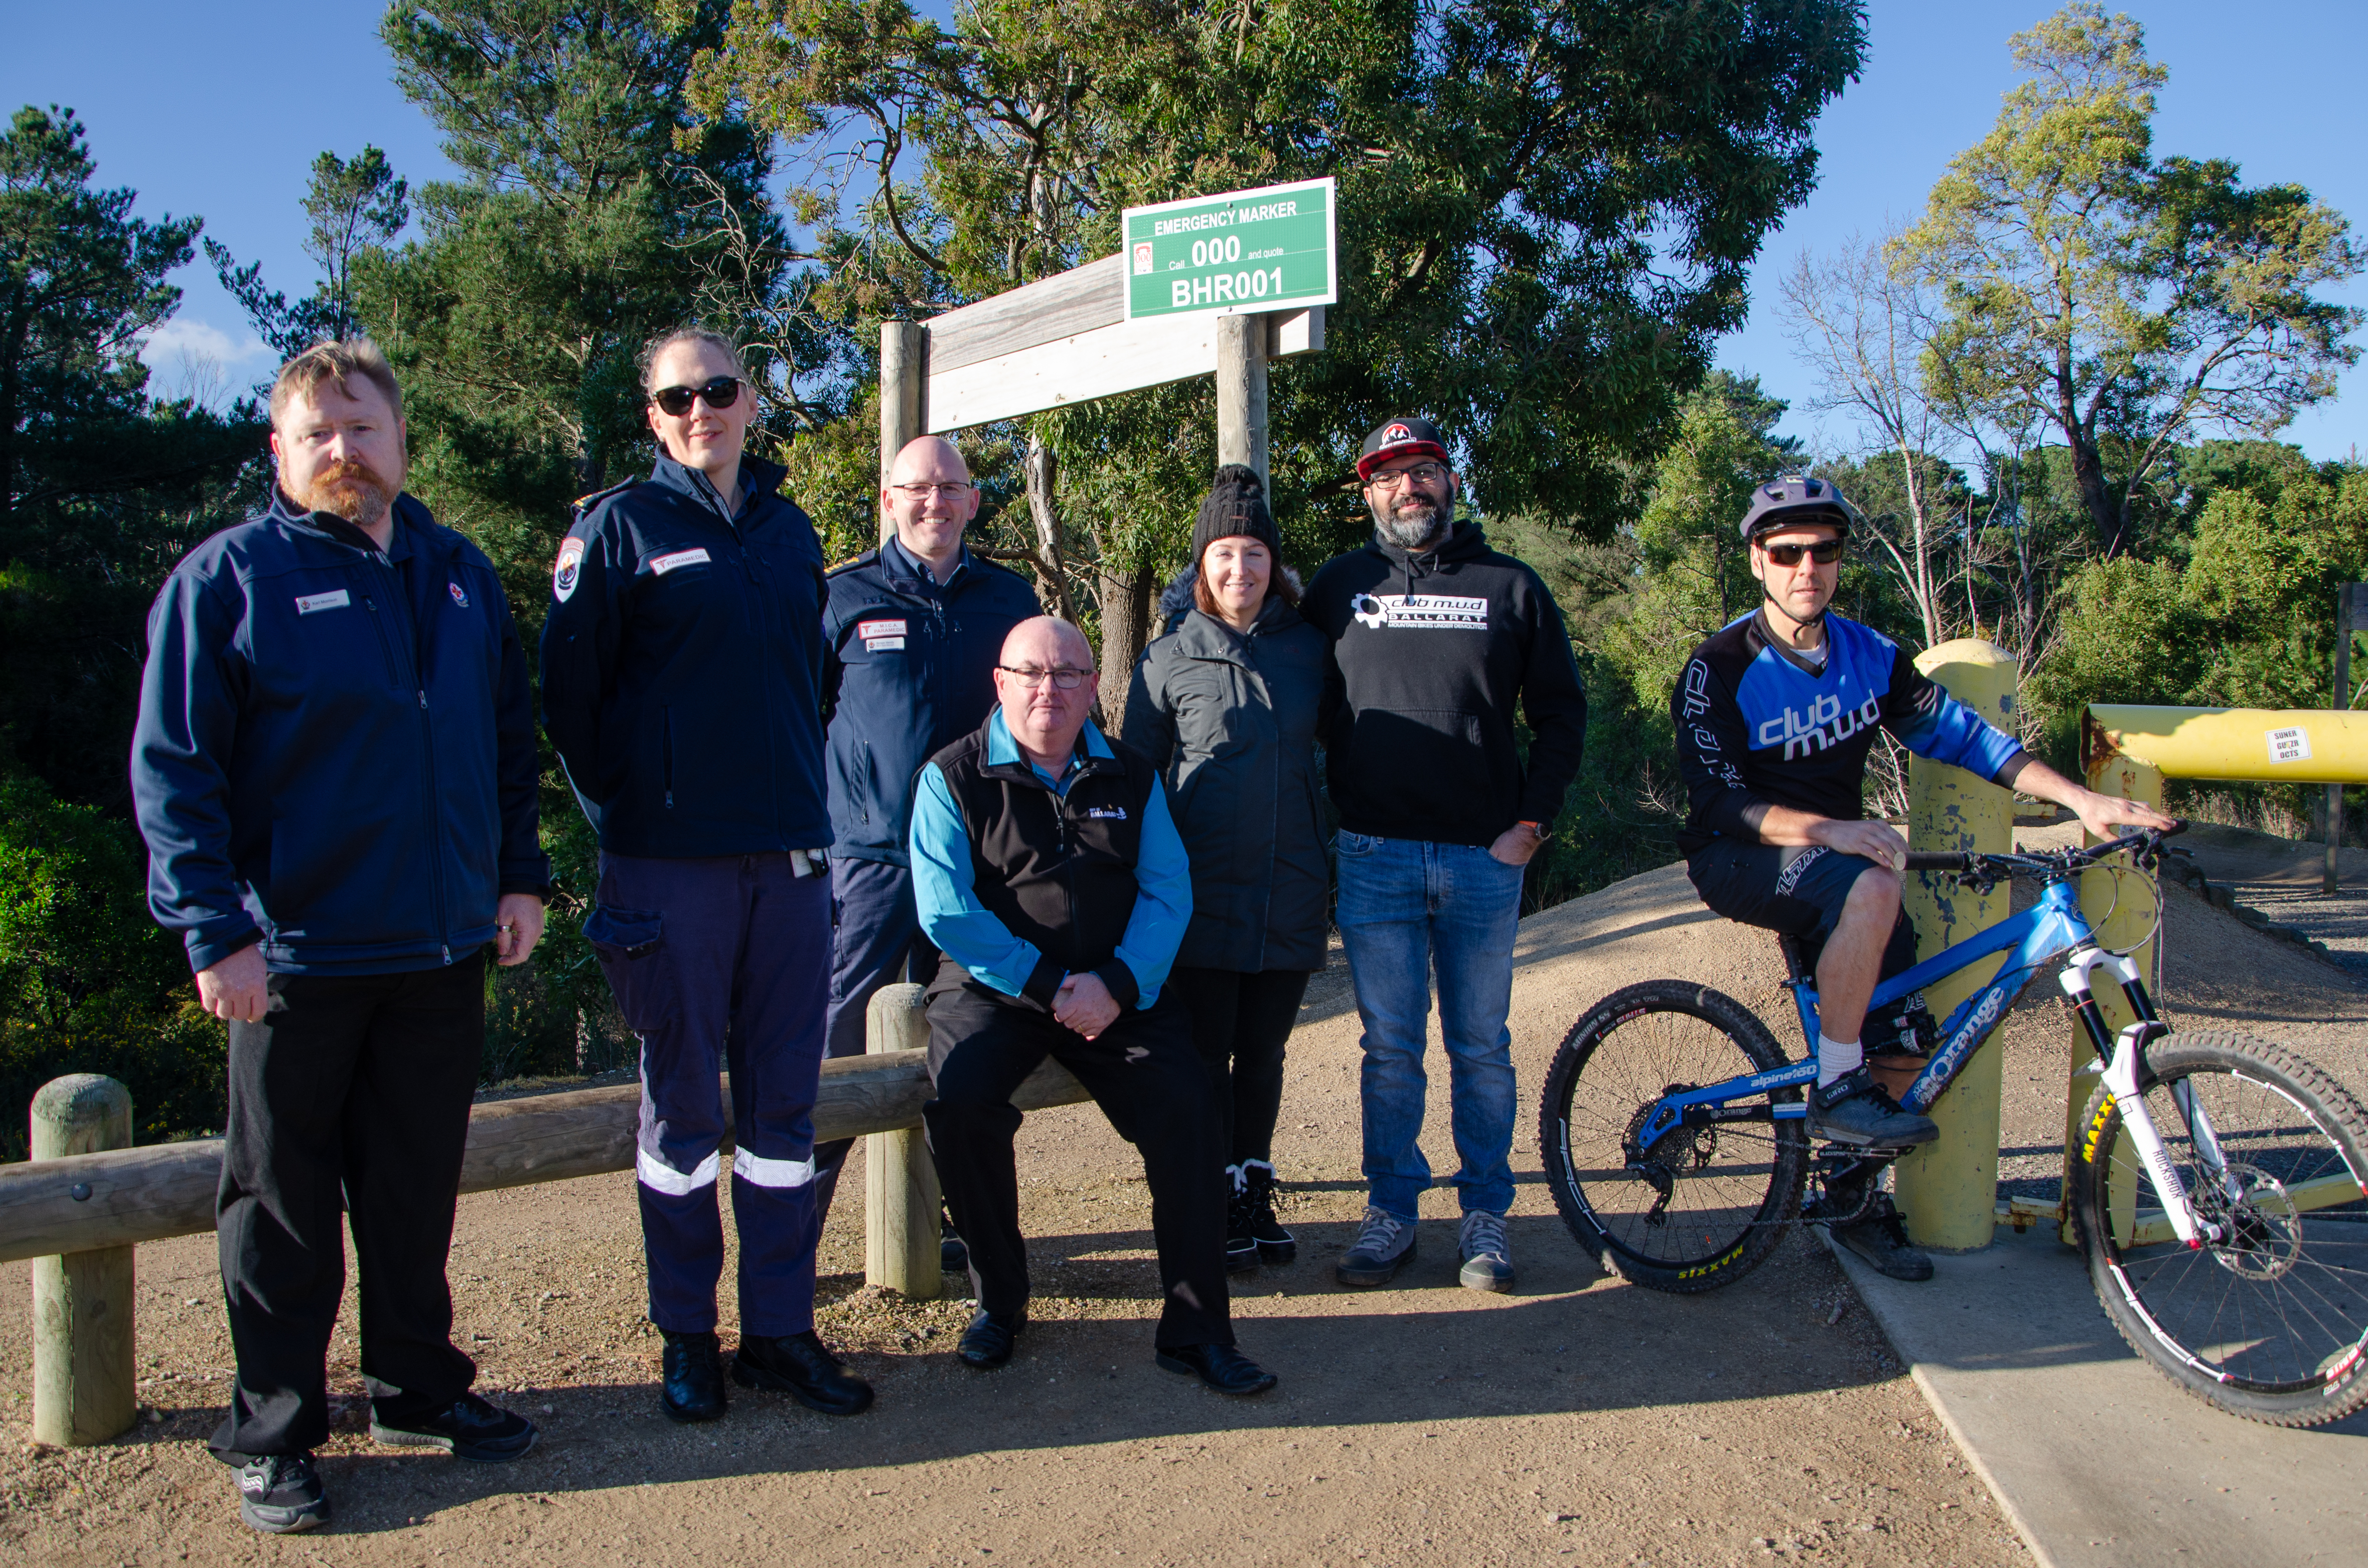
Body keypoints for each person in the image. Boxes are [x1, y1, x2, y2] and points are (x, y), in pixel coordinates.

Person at [131, 339, 550, 1535]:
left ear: (401, 440)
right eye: (315, 433)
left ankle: (418, 1391)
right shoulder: (228, 581)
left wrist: (516, 880)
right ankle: (273, 1431)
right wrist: (217, 931)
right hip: (293, 961)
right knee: (282, 1209)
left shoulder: (459, 574)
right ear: (278, 449)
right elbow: (175, 776)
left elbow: (503, 747)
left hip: (438, 950)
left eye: (361, 429)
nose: (341, 452)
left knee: (414, 1196)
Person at [1673, 474, 2176, 1281]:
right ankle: (1837, 1087)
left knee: (1905, 1045)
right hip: (1741, 855)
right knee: (1872, 883)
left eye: (1825, 550)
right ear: (1758, 561)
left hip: (1840, 861)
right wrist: (1833, 829)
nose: (1809, 567)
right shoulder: (1720, 666)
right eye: (1788, 551)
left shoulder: (1870, 655)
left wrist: (2083, 797)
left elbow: (1968, 737)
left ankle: (1854, 1203)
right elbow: (1721, 803)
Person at [541, 328, 871, 1426]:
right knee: (682, 1117)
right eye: (677, 396)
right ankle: (687, 1334)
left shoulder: (789, 531)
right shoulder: (616, 531)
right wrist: (640, 817)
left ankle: (778, 1330)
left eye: (719, 389)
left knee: (785, 1107)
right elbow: (571, 708)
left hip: (788, 865)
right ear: (652, 416)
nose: (701, 410)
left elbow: (812, 685)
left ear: (750, 399)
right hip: (665, 871)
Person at [911, 616, 1277, 1395]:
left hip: (1117, 988)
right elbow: (944, 909)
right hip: (997, 988)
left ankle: (1196, 1329)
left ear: (1091, 691)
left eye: (1070, 674)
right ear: (1001, 682)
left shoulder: (1132, 774)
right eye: (1033, 673)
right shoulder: (951, 776)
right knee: (963, 1103)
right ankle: (1001, 1303)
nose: (1051, 689)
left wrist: (1114, 983)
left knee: (1189, 1106)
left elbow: (1168, 889)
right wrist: (1047, 985)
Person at [1302, 417, 1589, 1295]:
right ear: (1369, 495)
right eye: (1389, 476)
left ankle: (1485, 1215)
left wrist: (1530, 828)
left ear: (1449, 481)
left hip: (1481, 862)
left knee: (1481, 1046)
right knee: (1390, 1047)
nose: (1408, 487)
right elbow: (1295, 700)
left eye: (1423, 469)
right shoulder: (1338, 588)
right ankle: (1391, 1212)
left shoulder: (1511, 585)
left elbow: (1563, 713)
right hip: (1376, 856)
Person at [812, 435, 1040, 1240]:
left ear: (974, 501)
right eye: (917, 488)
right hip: (869, 865)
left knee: (966, 1040)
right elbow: (799, 725)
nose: (934, 502)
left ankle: (961, 1222)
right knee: (835, 1049)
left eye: (950, 487)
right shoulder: (839, 598)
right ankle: (792, 1234)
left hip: (980, 867)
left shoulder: (1012, 601)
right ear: (888, 501)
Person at [1124, 465, 1327, 1274]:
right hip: (1197, 892)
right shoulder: (1168, 656)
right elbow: (1134, 776)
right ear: (1202, 566)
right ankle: (1210, 1192)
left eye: (1253, 554)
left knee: (1266, 1052)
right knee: (1207, 1054)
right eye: (1223, 555)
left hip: (1291, 887)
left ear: (1273, 564)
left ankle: (1254, 1186)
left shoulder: (1314, 650)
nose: (1239, 571)